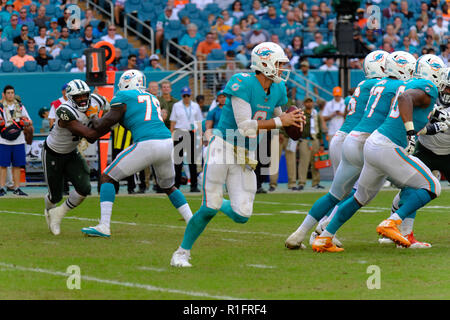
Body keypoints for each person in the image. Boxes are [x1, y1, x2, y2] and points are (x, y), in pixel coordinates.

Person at [170, 42, 305, 267]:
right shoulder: (241, 83)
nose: (283, 69)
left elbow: (281, 120)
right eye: (279, 64)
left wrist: (294, 123)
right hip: (222, 147)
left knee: (242, 215)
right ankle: (181, 253)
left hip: (245, 155)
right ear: (265, 63)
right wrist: (282, 121)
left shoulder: (279, 88)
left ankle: (217, 201)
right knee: (209, 208)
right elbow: (245, 126)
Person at [285, 51, 417, 252]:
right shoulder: (392, 86)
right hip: (367, 142)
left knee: (336, 193)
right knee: (364, 193)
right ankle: (324, 229)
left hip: (346, 138)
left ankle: (300, 233)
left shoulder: (366, 85)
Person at [312, 54, 445, 252]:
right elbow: (404, 99)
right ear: (433, 72)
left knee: (360, 197)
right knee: (433, 186)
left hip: (373, 144)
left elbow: (411, 109)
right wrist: (410, 133)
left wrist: (432, 120)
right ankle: (392, 222)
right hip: (388, 146)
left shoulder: (409, 84)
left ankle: (324, 237)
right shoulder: (427, 87)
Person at [77, 70, 193, 237]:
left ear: (126, 81)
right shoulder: (151, 97)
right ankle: (192, 221)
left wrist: (93, 115)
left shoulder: (123, 97)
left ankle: (104, 225)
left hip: (147, 143)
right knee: (168, 186)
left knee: (107, 177)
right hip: (167, 142)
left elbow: (103, 124)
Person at [381, 66, 450, 248]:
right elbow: (418, 123)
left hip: (449, 152)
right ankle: (402, 233)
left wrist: (429, 127)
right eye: (446, 87)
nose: (447, 92)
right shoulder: (429, 95)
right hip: (425, 149)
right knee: (412, 187)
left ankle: (393, 224)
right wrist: (429, 128)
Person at [42, 82, 108, 235]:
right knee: (55, 195)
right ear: (71, 98)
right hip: (53, 153)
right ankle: (49, 211)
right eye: (78, 96)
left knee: (84, 188)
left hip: (72, 152)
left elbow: (110, 109)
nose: (83, 99)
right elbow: (90, 136)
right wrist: (97, 119)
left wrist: (106, 118)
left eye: (85, 95)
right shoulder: (65, 111)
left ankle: (58, 214)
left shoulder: (97, 100)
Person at [0, 85, 32, 196]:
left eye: (12, 93)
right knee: (3, 165)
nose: (10, 95)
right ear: (3, 94)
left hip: (18, 139)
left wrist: (25, 122)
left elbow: (29, 121)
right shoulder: (0, 107)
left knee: (17, 165)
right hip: (4, 140)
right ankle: (2, 187)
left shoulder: (21, 107)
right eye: (8, 93)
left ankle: (17, 188)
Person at [170, 86, 203, 192]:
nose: (186, 97)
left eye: (188, 95)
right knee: (177, 162)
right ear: (181, 96)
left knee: (192, 161)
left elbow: (199, 122)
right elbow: (173, 122)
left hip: (191, 133)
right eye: (184, 95)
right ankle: (176, 185)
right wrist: (172, 135)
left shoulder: (195, 106)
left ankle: (194, 185)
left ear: (190, 95)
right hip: (179, 133)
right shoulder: (176, 106)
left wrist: (200, 136)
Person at [296, 97, 324, 191]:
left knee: (315, 162)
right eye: (307, 102)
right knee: (303, 162)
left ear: (313, 103)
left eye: (310, 102)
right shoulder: (301, 113)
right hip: (304, 140)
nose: (309, 104)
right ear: (304, 103)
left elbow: (319, 128)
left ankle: (316, 182)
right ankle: (301, 182)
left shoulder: (316, 114)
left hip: (314, 139)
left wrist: (321, 143)